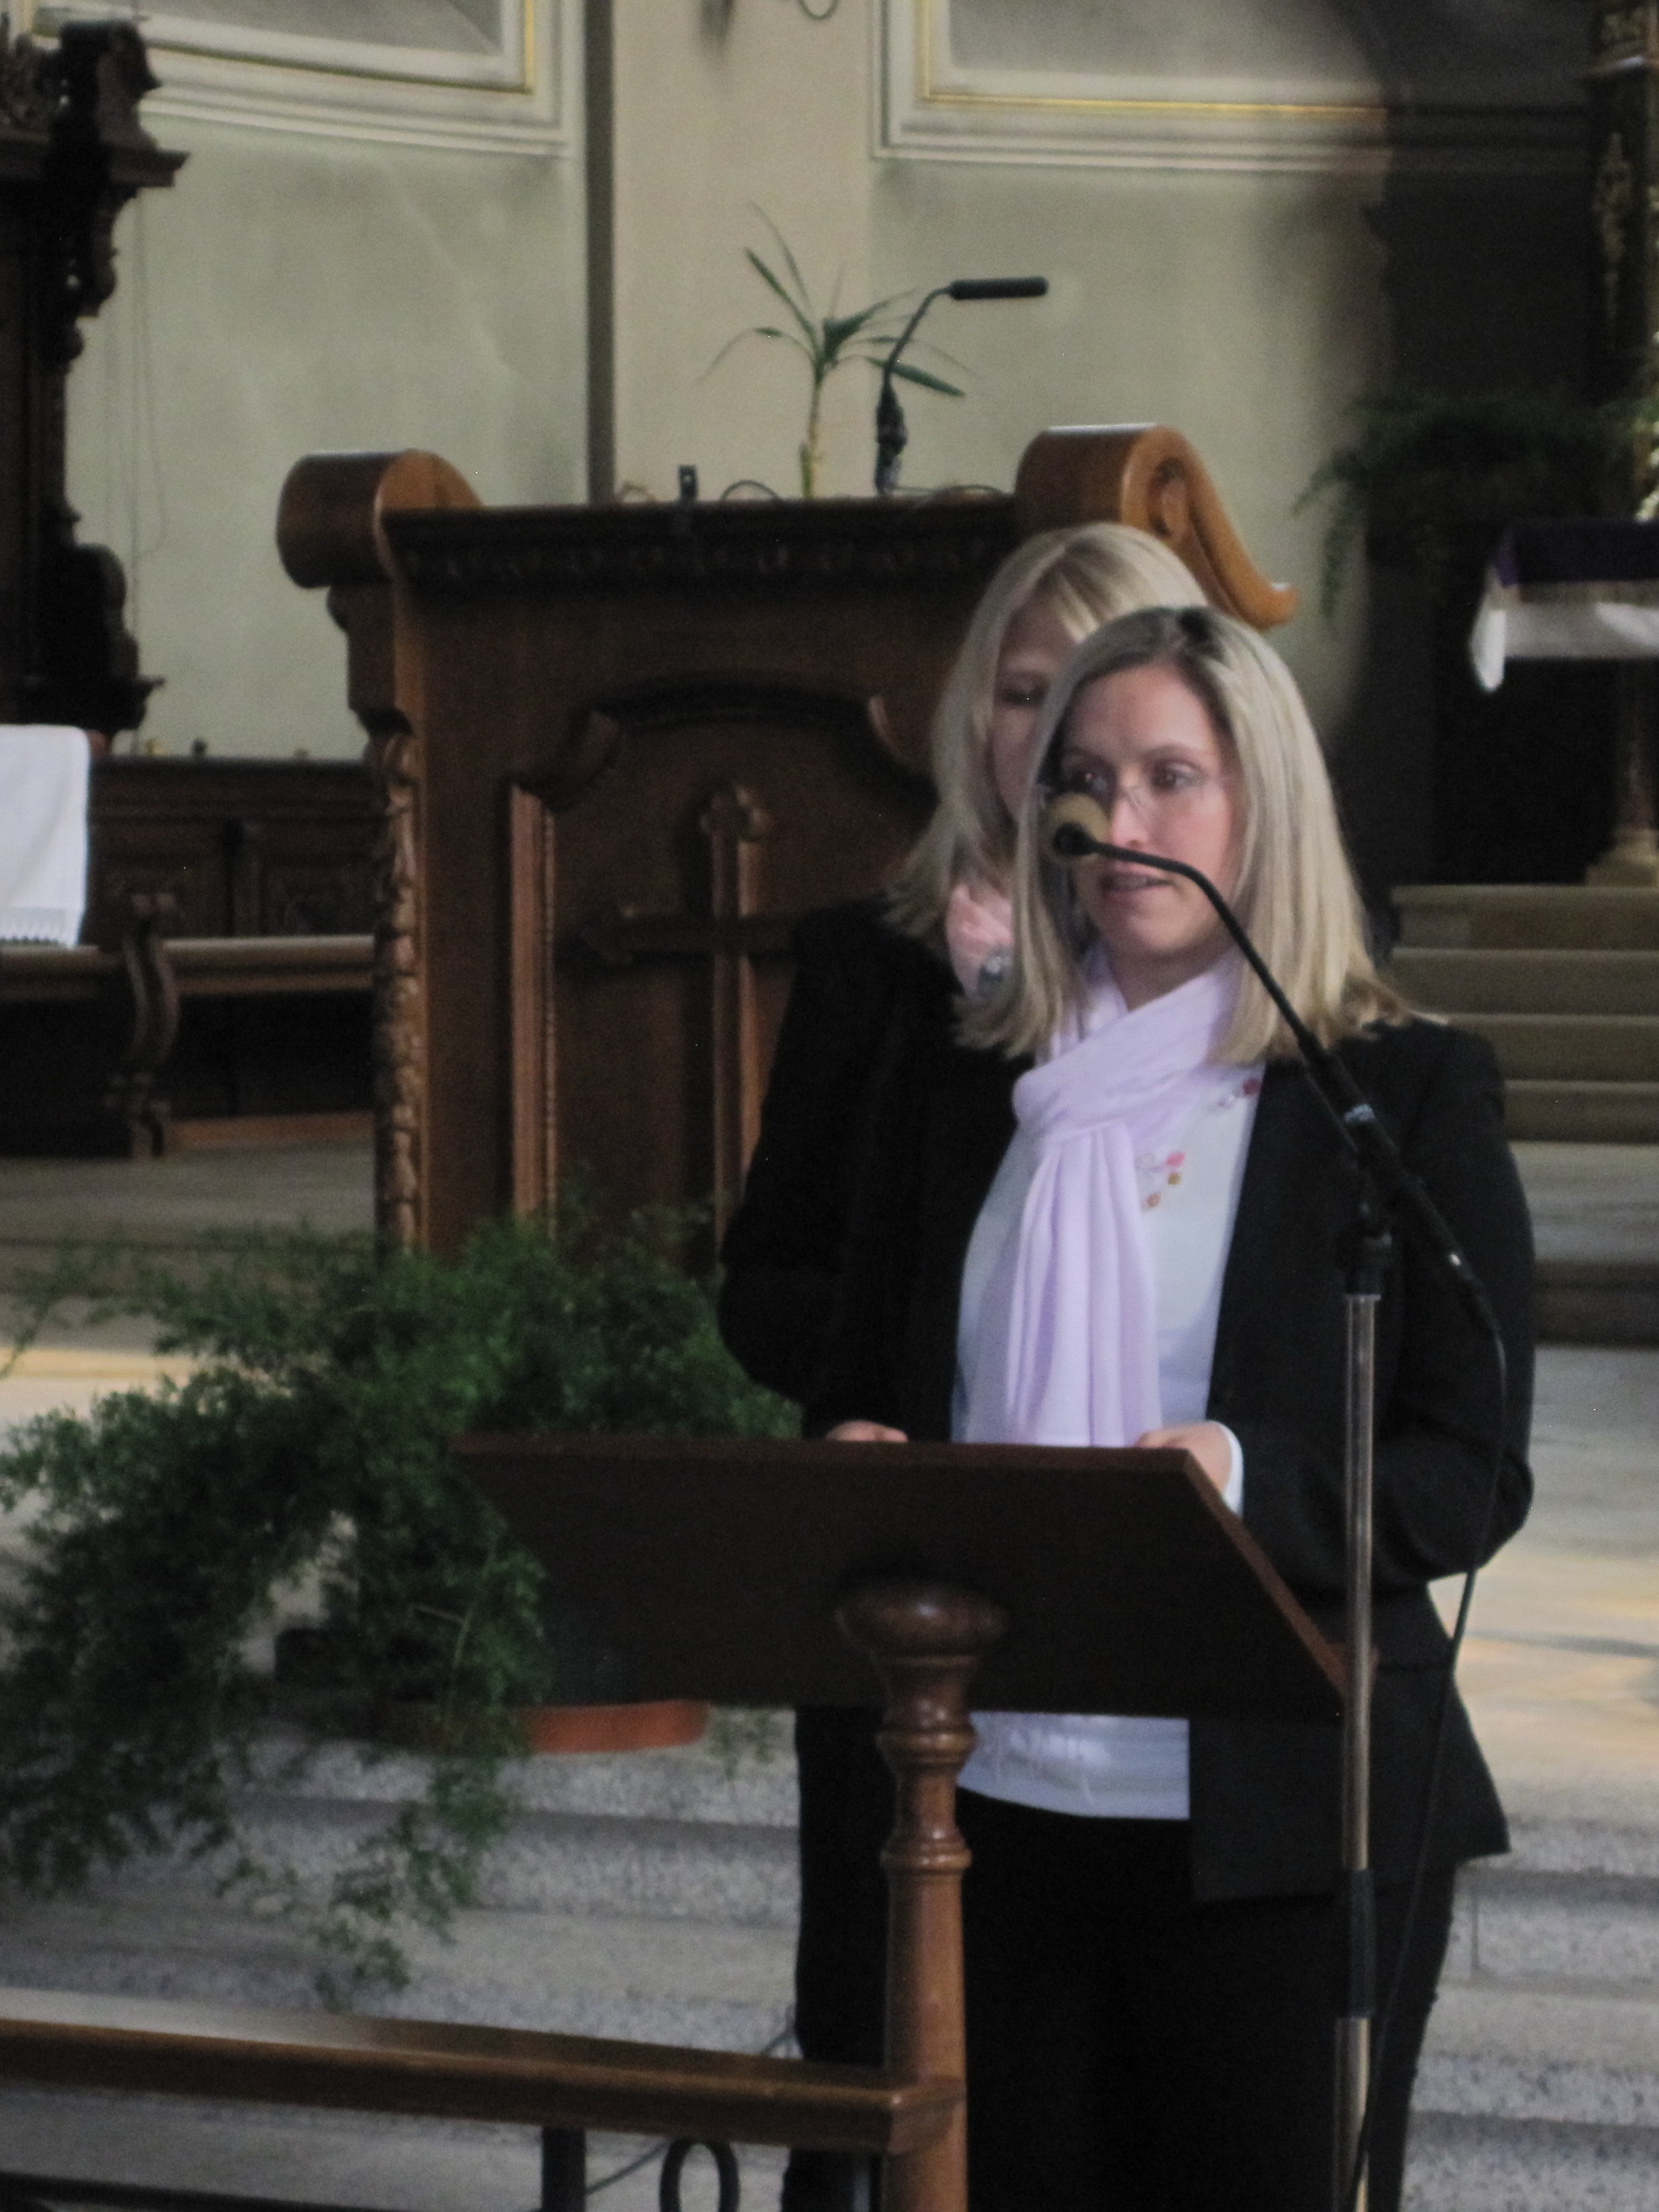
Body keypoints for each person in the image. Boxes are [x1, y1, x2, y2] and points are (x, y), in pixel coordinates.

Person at [812, 606, 1534, 2211]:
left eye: (1169, 777)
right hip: (988, 1798)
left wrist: (1243, 1476)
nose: (1114, 819)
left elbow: (1472, 1468)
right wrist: (866, 1471)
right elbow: (861, 1383)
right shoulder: (968, 1084)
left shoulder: (1394, 1093)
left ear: (1262, 802)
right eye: (1083, 778)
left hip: (1282, 1816)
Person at [714, 524, 1205, 2212]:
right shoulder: (879, 963)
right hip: (911, 1572)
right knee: (878, 2043)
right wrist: (893, 1379)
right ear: (969, 718)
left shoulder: (1223, 983)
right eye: (1021, 694)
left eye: (1091, 697)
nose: (1047, 737)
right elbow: (765, 1280)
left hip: (1126, 1589)